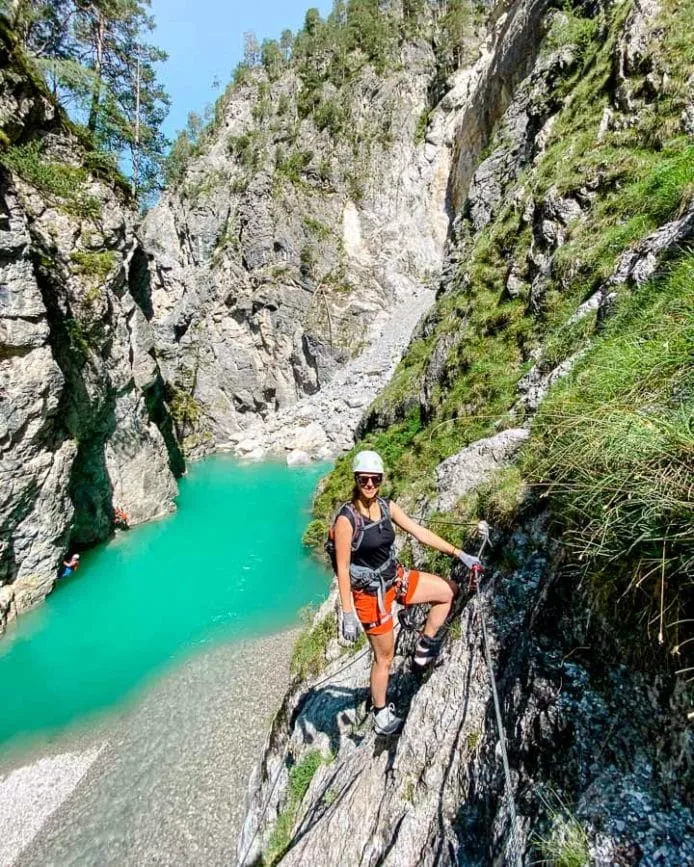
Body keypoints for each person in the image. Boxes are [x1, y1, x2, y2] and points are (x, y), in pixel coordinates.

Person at [334, 450, 482, 736]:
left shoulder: (388, 507)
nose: (369, 484)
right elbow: (342, 569)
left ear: (380, 480)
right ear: (356, 479)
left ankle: (423, 649)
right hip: (369, 596)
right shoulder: (346, 519)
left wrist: (460, 554)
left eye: (375, 479)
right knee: (385, 658)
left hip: (395, 579)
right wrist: (348, 613)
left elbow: (420, 533)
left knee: (446, 592)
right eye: (364, 479)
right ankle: (380, 713)